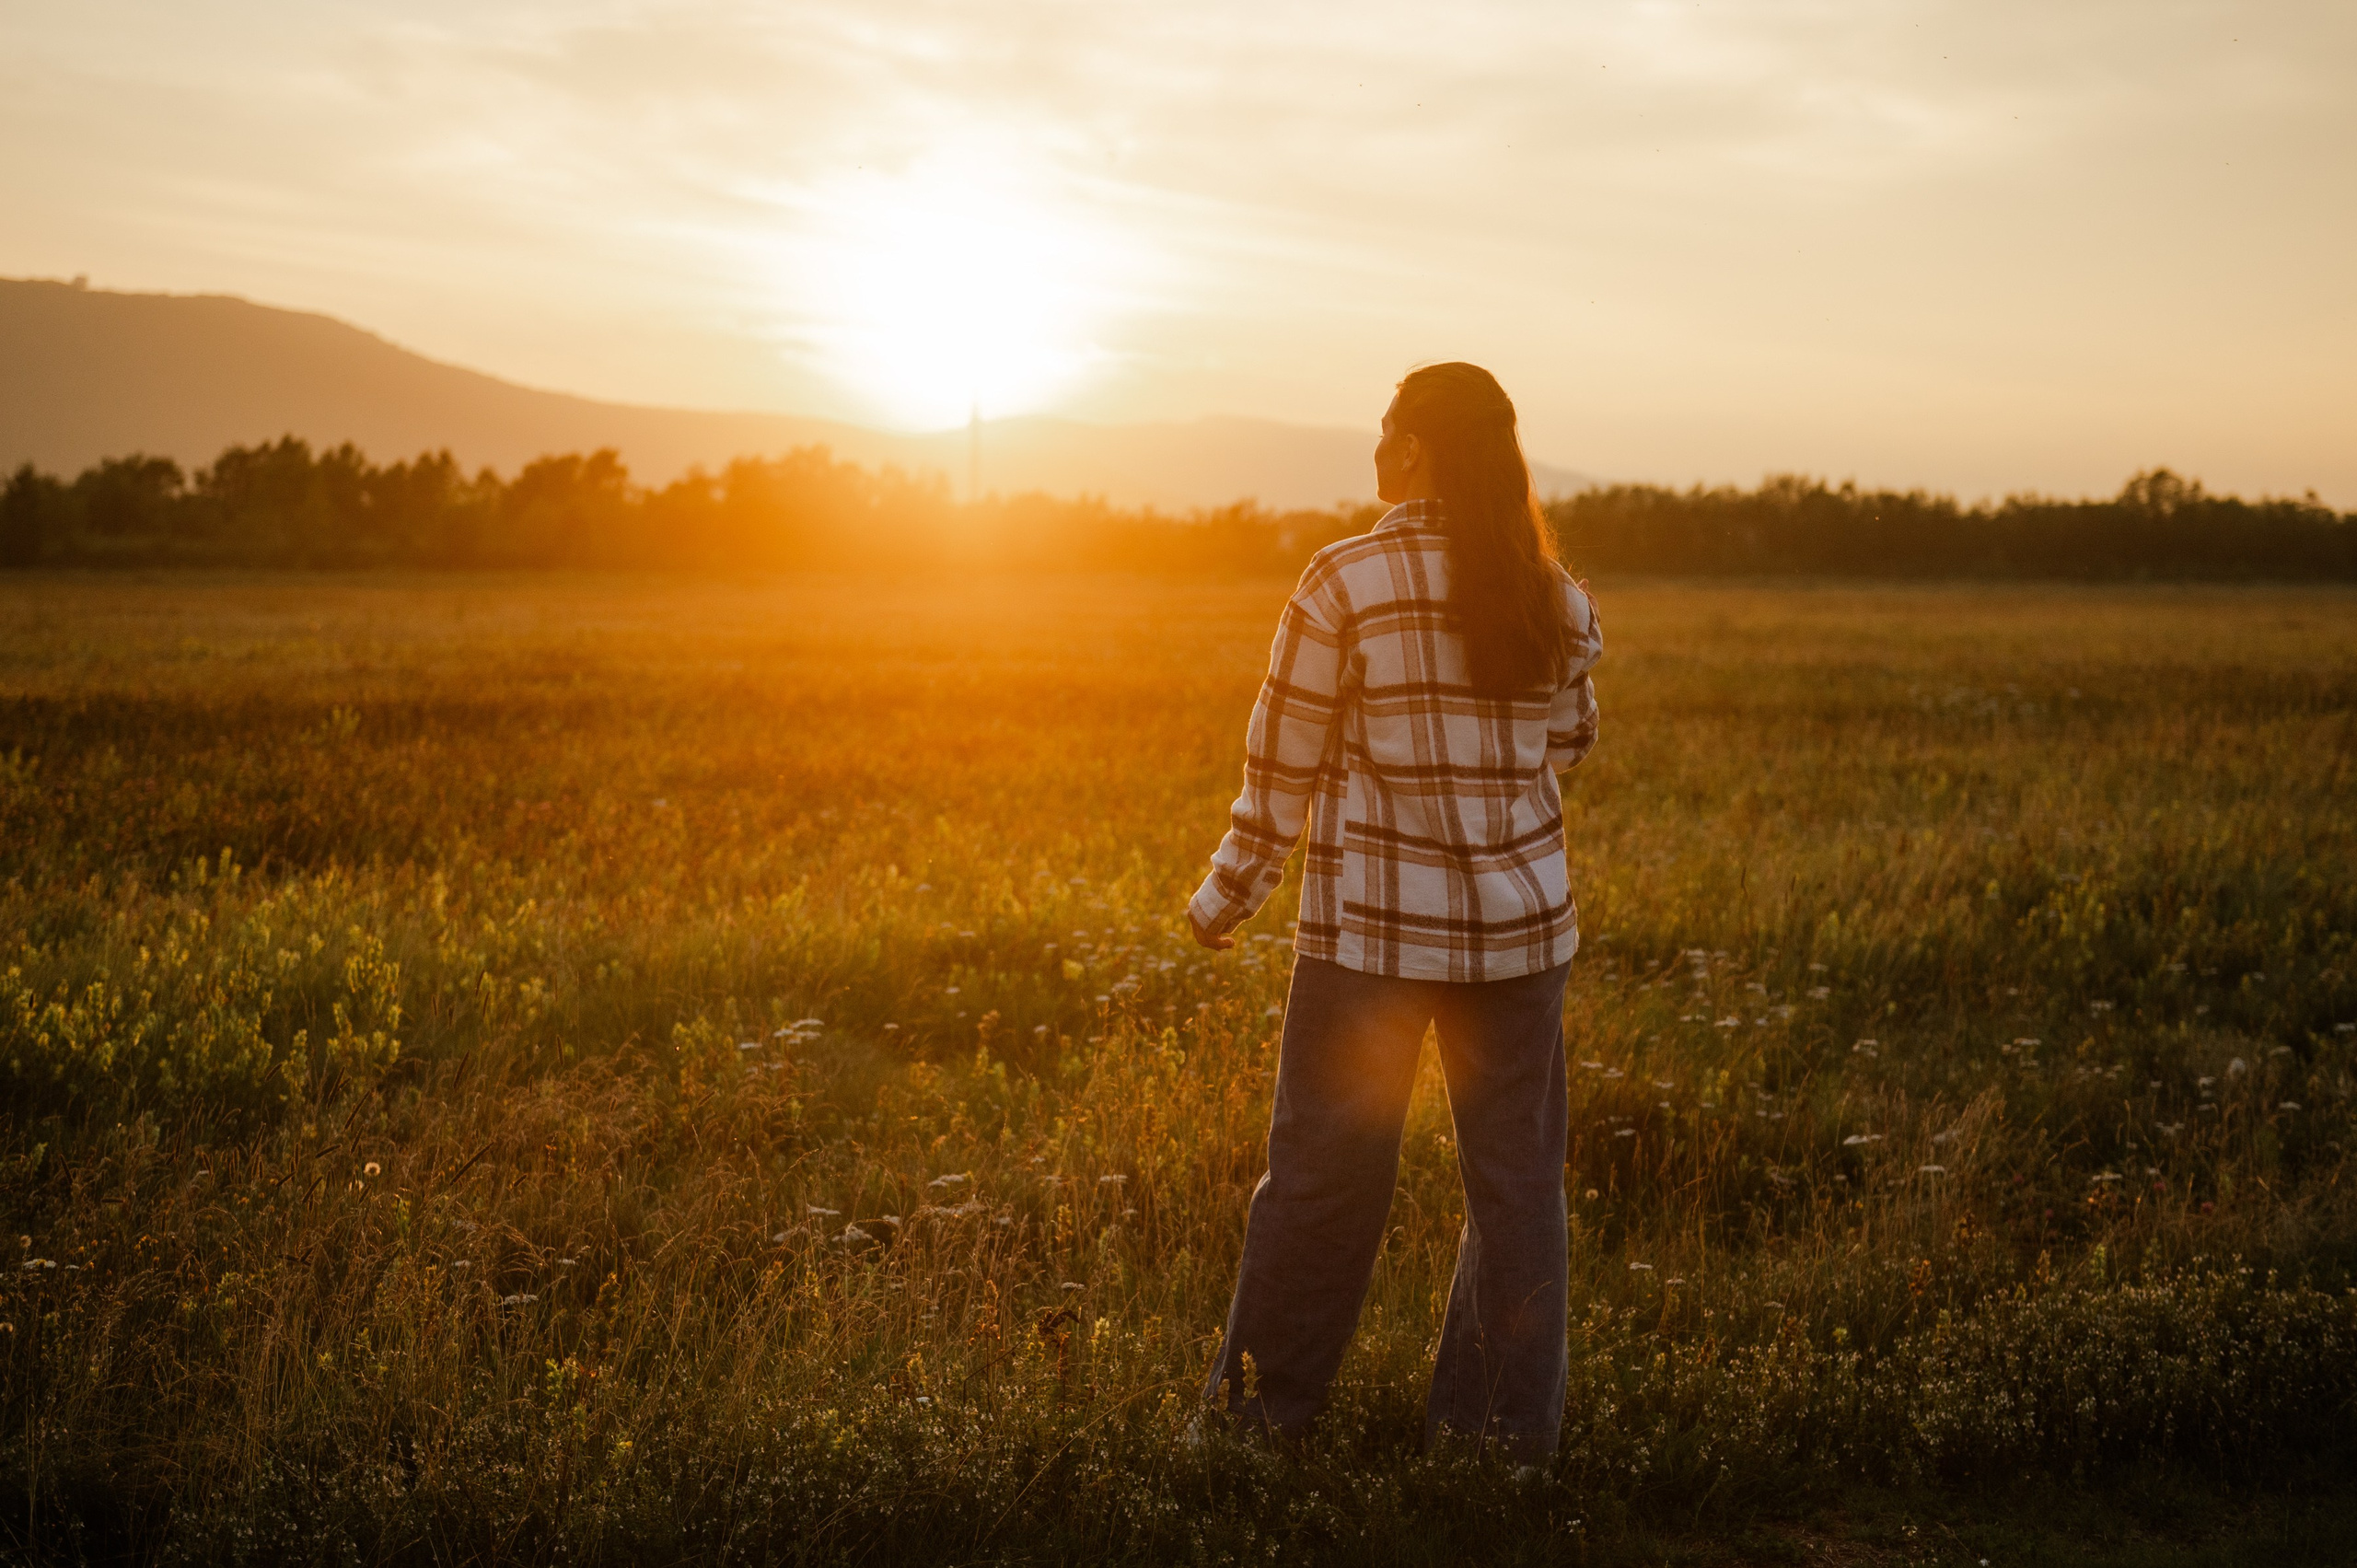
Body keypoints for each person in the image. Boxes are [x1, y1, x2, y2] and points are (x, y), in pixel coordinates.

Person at [1186, 361, 1602, 1459]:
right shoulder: (1551, 590)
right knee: (1516, 1192)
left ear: (1413, 446)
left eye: (1384, 428)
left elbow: (1282, 765)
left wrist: (1226, 894)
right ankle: (1492, 1448)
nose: (1373, 446)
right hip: (1519, 938)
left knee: (1322, 1182)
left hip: (1370, 938)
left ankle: (1255, 1433)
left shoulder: (1344, 579)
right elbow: (1568, 743)